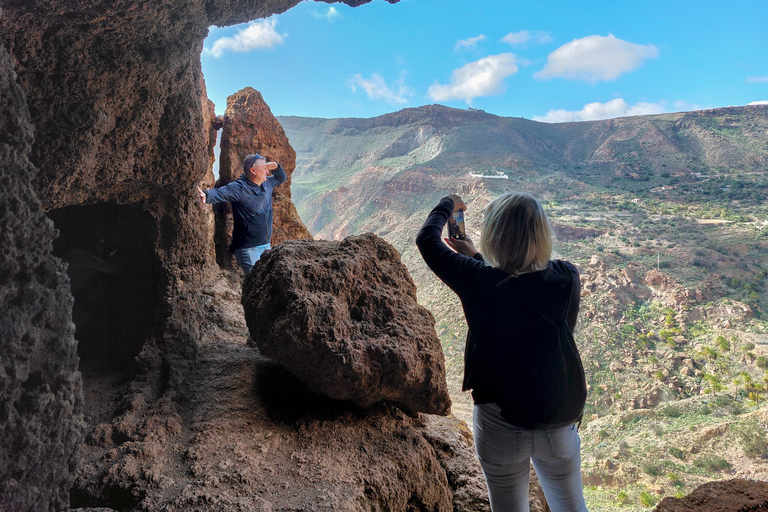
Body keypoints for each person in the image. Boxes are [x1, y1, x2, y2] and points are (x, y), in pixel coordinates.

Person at [415, 192, 588, 512]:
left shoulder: (476, 279)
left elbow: (426, 239)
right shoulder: (567, 278)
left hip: (498, 425)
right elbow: (532, 305)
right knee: (571, 507)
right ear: (541, 234)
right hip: (556, 419)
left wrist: (447, 205)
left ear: (494, 235)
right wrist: (477, 259)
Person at [197, 154, 286, 275]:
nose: (267, 171)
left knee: (264, 284)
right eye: (264, 168)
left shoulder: (267, 184)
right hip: (248, 249)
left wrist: (276, 167)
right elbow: (220, 192)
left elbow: (281, 178)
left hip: (265, 245)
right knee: (257, 284)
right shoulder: (239, 188)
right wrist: (206, 195)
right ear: (253, 170)